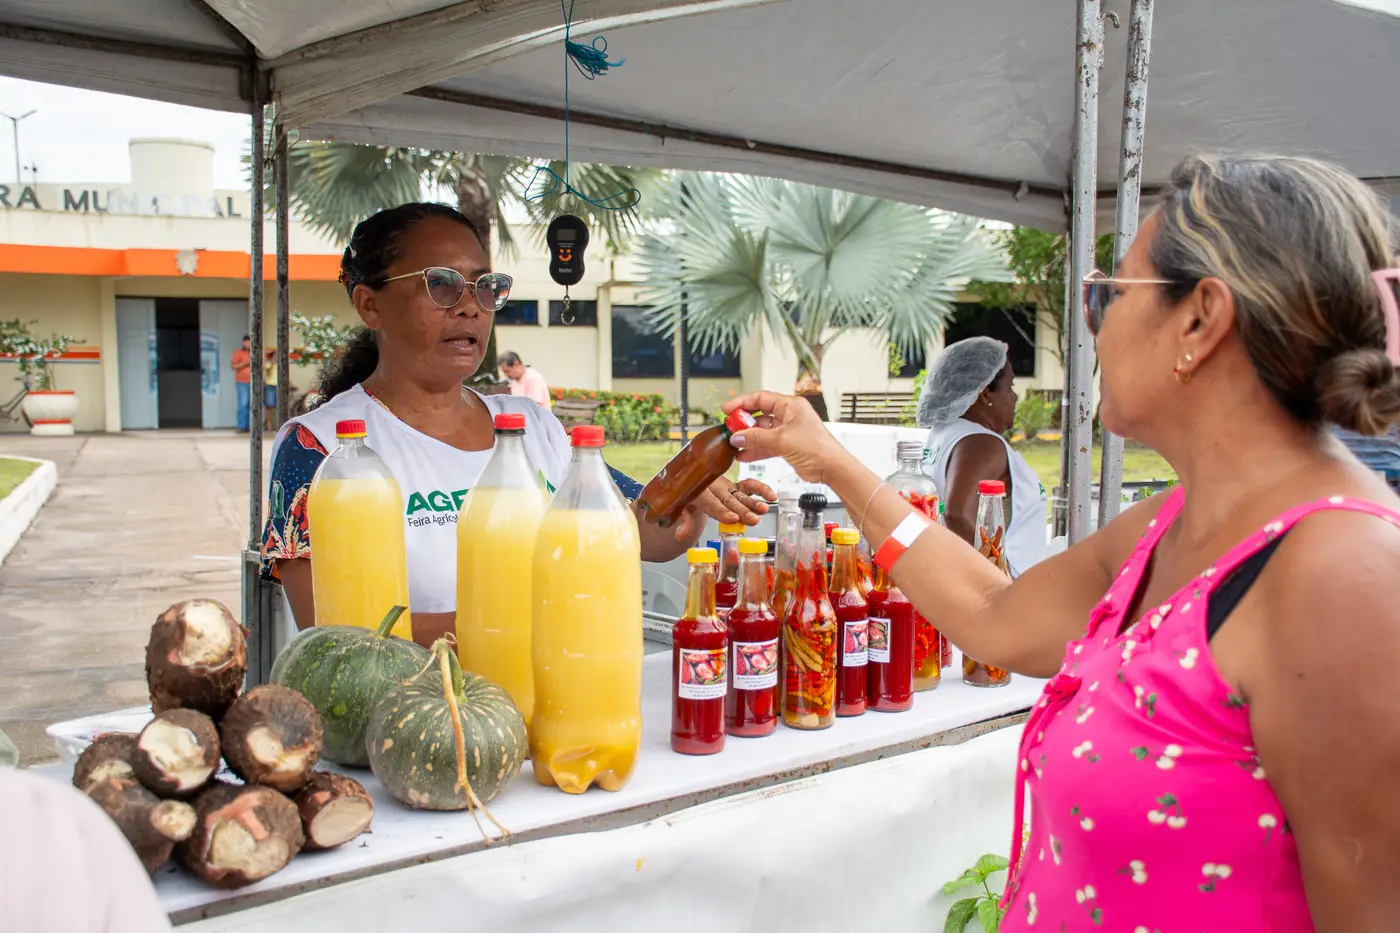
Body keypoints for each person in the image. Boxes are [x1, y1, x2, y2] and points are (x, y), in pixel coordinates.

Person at [720, 156, 1400, 929]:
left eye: (1111, 293)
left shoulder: (1341, 573)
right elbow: (993, 612)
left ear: (1201, 318)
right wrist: (830, 460)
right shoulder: (1171, 524)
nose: (1095, 325)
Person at [262, 202, 774, 649]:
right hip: (413, 719)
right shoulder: (321, 447)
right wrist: (539, 616)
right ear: (370, 304)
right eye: (441, 283)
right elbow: (337, 640)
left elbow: (640, 530)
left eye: (485, 287)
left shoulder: (533, 426)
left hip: (556, 706)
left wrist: (687, 492)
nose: (470, 306)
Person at [917, 336, 1047, 576]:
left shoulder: (945, 433)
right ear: (986, 394)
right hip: (1004, 585)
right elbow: (957, 513)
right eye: (1010, 387)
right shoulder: (982, 443)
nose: (1015, 397)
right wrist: (997, 577)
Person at [229, 335, 252, 432]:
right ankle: (241, 426)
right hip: (242, 382)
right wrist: (245, 363)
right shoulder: (238, 353)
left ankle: (249, 427)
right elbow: (233, 366)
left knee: (251, 405)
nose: (248, 344)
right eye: (247, 342)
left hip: (253, 383)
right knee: (243, 404)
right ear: (244, 342)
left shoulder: (255, 353)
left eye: (250, 342)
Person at [263, 352, 279, 432]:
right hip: (269, 386)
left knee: (278, 406)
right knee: (269, 406)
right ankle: (268, 425)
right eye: (275, 356)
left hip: (278, 386)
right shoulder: (268, 364)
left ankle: (276, 425)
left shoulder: (279, 365)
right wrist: (271, 364)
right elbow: (267, 374)